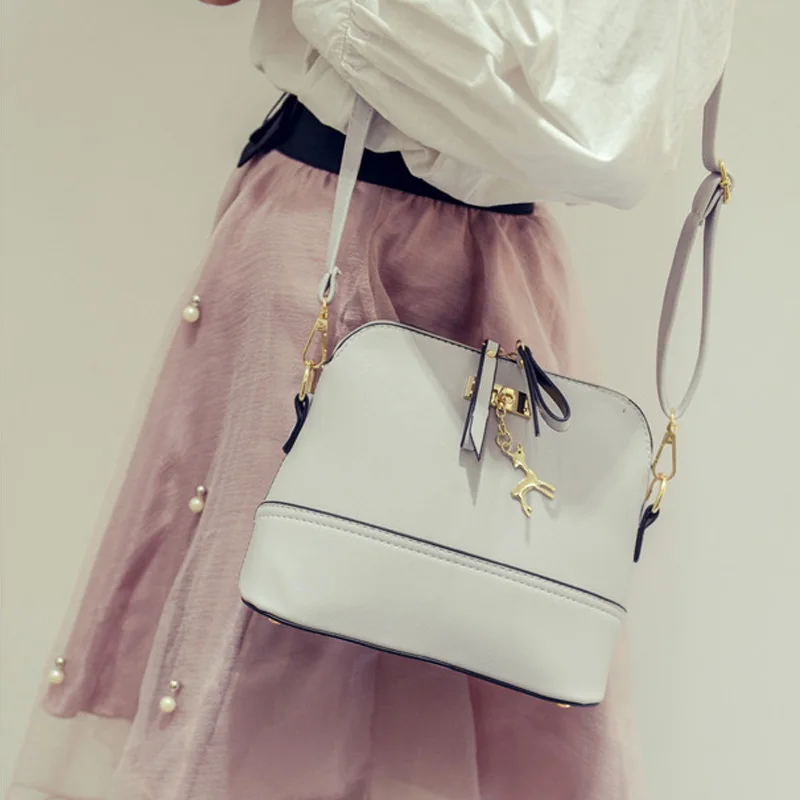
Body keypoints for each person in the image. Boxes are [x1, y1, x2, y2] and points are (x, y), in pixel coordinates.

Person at [9, 1, 734, 798]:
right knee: (272, 634)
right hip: (335, 223)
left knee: (440, 622)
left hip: (448, 250)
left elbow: (604, 132)